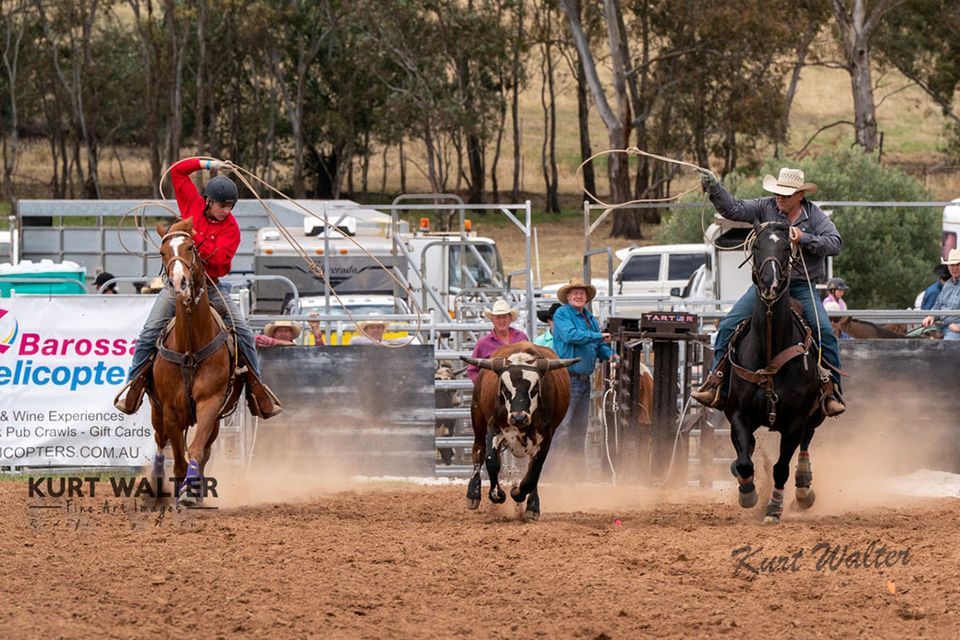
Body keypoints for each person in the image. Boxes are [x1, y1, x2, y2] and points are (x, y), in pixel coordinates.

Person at [115, 157, 282, 418]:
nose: (226, 210)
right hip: (176, 286)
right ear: (208, 201)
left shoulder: (232, 230)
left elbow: (219, 262)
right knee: (149, 332)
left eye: (230, 206)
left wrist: (191, 240)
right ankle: (133, 386)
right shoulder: (191, 204)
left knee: (245, 334)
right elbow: (178, 173)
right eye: (221, 205)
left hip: (212, 287)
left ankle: (257, 390)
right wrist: (207, 164)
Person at [691, 167, 845, 417]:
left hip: (801, 285)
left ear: (799, 196)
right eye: (778, 193)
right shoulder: (764, 206)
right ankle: (716, 382)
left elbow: (835, 243)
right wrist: (715, 188)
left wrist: (804, 238)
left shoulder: (814, 216)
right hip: (764, 286)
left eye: (785, 194)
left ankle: (832, 391)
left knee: (825, 332)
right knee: (729, 325)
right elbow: (733, 209)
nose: (779, 198)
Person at [551, 277, 615, 475]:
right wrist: (599, 337)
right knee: (562, 428)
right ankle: (553, 474)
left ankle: (574, 474)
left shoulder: (589, 317)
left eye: (582, 293)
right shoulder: (562, 314)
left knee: (579, 429)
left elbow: (599, 346)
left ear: (586, 297)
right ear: (568, 296)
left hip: (583, 378)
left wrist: (610, 355)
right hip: (566, 378)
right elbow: (571, 335)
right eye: (575, 293)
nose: (578, 296)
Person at [466, 299, 529, 383]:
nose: (501, 321)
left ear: (510, 319)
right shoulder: (483, 343)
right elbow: (472, 369)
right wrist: (483, 385)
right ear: (492, 320)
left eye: (504, 317)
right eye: (498, 317)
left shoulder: (521, 338)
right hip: (494, 390)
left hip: (520, 387)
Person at [922, 249, 960, 340]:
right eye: (952, 265)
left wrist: (958, 327)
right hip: (940, 326)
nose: (954, 268)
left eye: (958, 264)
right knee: (918, 338)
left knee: (946, 347)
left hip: (954, 330)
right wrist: (931, 316)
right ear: (948, 267)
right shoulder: (947, 284)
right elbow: (938, 305)